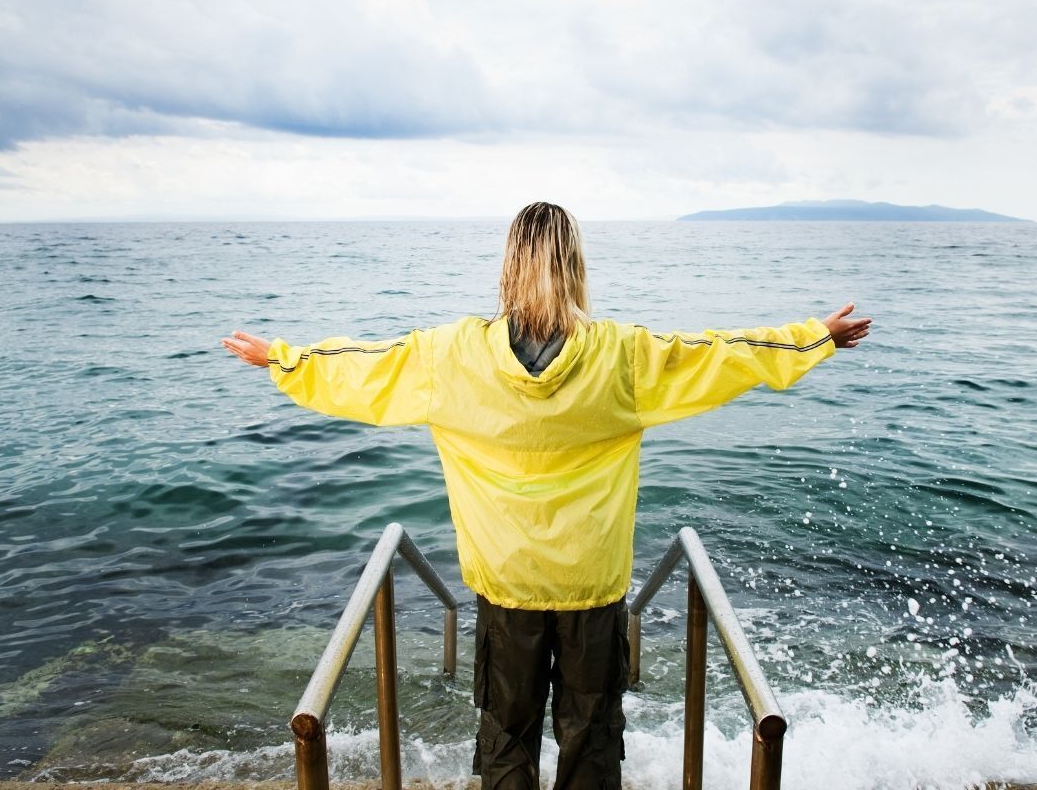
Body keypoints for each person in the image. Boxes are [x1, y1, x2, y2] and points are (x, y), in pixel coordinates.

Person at [221, 201, 871, 790]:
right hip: (592, 584)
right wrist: (815, 338)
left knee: (506, 740)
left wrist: (282, 359)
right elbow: (720, 355)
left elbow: (361, 367)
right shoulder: (620, 357)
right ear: (575, 265)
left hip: (507, 584)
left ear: (508, 264)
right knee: (590, 743)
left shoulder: (452, 358)